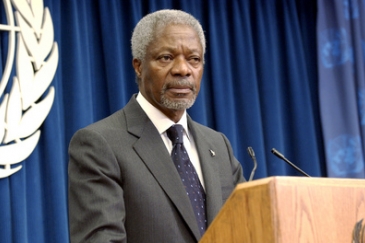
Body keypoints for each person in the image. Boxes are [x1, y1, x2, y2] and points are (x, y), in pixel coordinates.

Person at [68, 9, 246, 243]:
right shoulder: (99, 145)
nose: (183, 69)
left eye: (194, 59)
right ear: (139, 66)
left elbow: (248, 227)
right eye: (166, 57)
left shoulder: (218, 145)